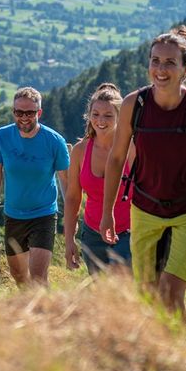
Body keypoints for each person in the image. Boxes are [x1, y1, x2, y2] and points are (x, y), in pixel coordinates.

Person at [100, 25, 186, 323]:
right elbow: (117, 158)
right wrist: (108, 212)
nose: (160, 69)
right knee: (148, 296)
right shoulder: (136, 104)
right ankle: (157, 356)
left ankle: (180, 363)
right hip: (146, 207)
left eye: (170, 63)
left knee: (170, 292)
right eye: (155, 61)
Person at [0, 87, 70, 288]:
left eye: (30, 113)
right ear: (13, 111)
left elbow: (66, 180)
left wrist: (70, 219)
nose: (24, 117)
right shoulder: (2, 137)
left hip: (44, 214)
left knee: (38, 277)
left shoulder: (54, 141)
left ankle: (47, 316)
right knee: (19, 277)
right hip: (14, 215)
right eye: (18, 112)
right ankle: (28, 315)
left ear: (39, 113)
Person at [63, 83, 136, 276]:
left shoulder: (132, 148)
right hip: (92, 236)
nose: (100, 120)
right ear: (89, 116)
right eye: (95, 114)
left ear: (120, 117)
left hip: (128, 232)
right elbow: (72, 198)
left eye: (108, 115)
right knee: (101, 295)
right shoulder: (80, 151)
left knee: (121, 286)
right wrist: (69, 239)